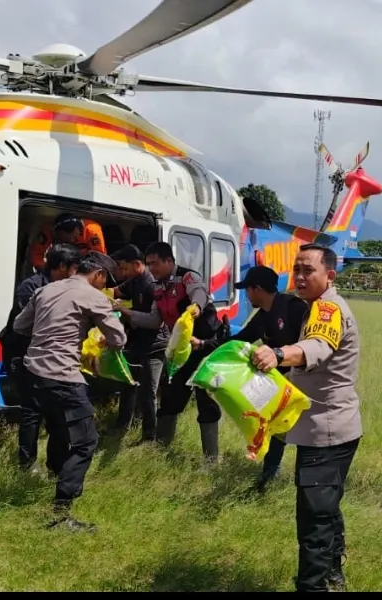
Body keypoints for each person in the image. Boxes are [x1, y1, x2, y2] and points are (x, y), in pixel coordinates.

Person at [250, 244, 361, 593]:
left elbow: (317, 346)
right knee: (325, 508)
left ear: (330, 274)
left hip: (326, 432)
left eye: (307, 270)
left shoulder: (327, 309)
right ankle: (332, 574)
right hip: (329, 429)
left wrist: (281, 353)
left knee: (313, 521)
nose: (298, 276)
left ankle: (313, 585)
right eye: (295, 269)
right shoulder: (314, 305)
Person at [12, 251, 127, 531]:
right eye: (105, 281)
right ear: (98, 274)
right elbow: (118, 339)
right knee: (85, 441)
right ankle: (61, 510)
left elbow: (19, 326)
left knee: (60, 430)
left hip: (33, 374)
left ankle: (54, 476)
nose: (105, 286)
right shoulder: (93, 296)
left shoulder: (45, 289)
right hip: (62, 375)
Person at [196, 265, 308, 490]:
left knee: (305, 432)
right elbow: (241, 340)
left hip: (305, 380)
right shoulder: (263, 316)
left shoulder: (293, 308)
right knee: (275, 425)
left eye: (247, 290)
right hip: (281, 384)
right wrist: (203, 345)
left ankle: (305, 480)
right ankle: (269, 476)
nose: (246, 295)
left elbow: (309, 344)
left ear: (257, 289)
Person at [116, 241, 229, 464]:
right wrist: (126, 312)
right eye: (148, 264)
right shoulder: (158, 288)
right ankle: (161, 452)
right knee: (170, 399)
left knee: (205, 400)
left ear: (169, 261)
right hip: (181, 351)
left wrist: (194, 308)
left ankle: (211, 461)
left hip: (206, 347)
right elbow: (154, 320)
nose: (151, 268)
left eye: (155, 263)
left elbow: (200, 293)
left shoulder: (187, 278)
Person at [0, 243, 81, 472]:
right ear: (62, 266)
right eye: (75, 268)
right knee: (32, 410)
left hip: (46, 358)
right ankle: (26, 464)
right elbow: (34, 326)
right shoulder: (31, 287)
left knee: (54, 412)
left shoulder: (61, 287)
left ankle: (55, 466)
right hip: (23, 355)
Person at [110, 244, 166, 443]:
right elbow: (116, 291)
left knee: (148, 392)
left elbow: (154, 321)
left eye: (124, 268)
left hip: (155, 345)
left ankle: (149, 438)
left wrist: (125, 312)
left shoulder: (152, 285)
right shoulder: (133, 280)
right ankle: (122, 426)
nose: (121, 273)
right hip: (136, 342)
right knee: (127, 384)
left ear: (136, 264)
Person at [27, 212, 106, 272]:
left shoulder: (92, 229)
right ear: (56, 233)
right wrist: (47, 271)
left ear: (78, 229)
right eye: (64, 241)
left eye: (75, 238)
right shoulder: (49, 229)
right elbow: (36, 254)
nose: (71, 242)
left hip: (84, 267)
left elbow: (99, 258)